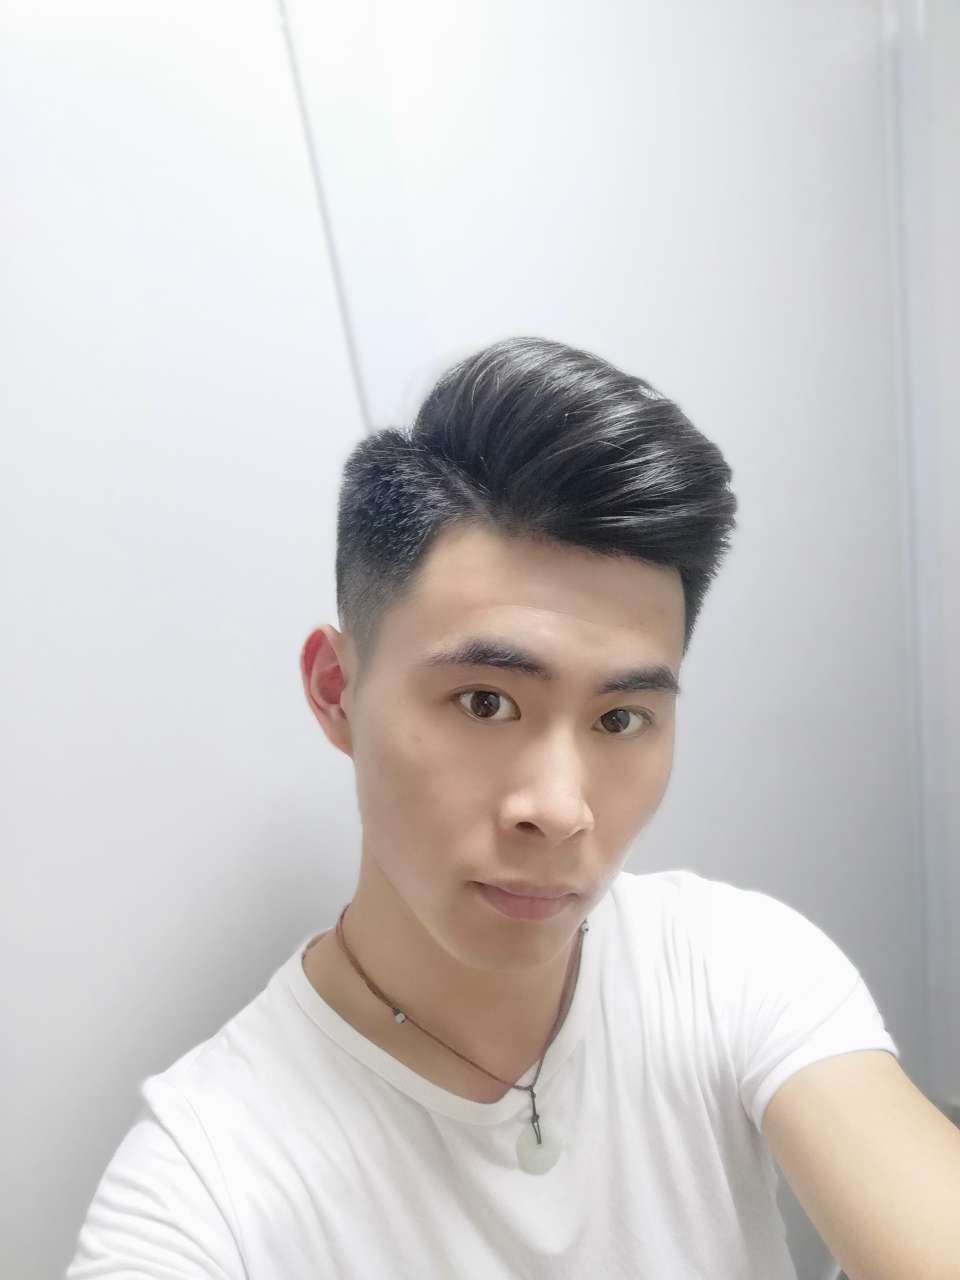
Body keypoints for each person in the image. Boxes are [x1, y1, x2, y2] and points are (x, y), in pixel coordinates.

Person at [66, 336, 900, 1278]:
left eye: (620, 718)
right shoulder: (205, 1183)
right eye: (485, 703)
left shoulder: (730, 967)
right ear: (337, 690)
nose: (560, 809)